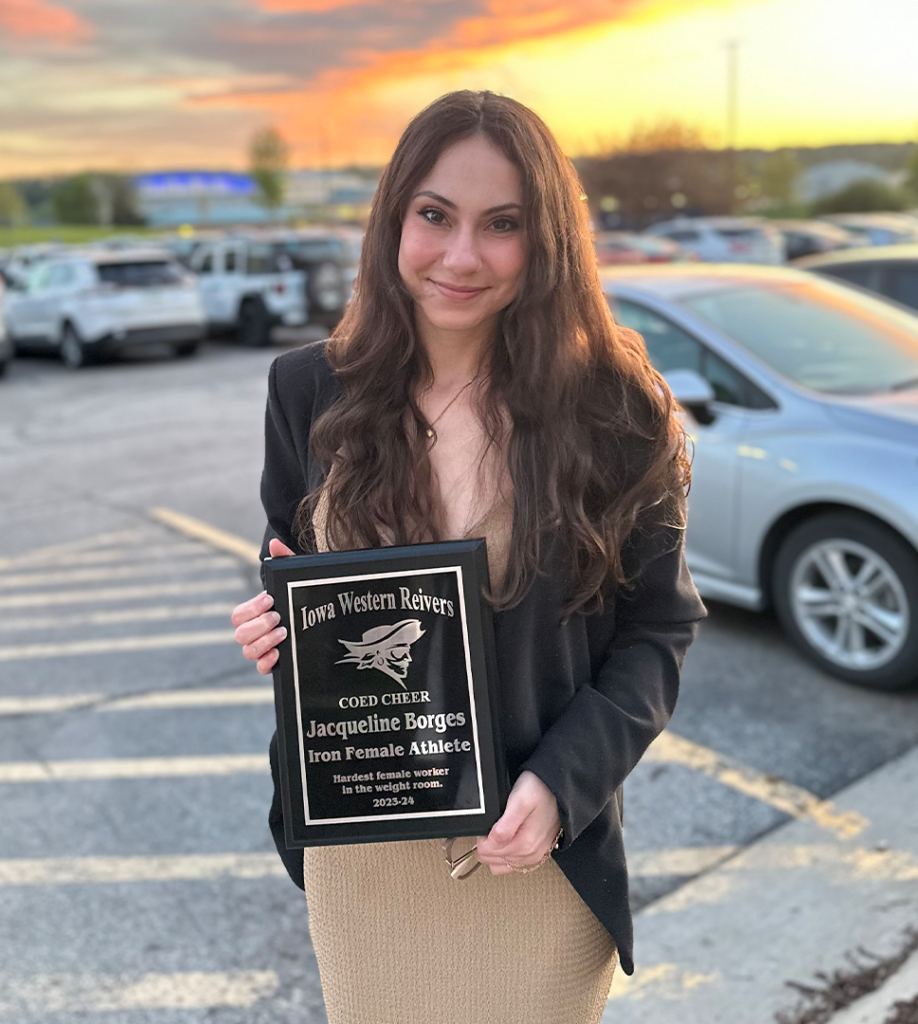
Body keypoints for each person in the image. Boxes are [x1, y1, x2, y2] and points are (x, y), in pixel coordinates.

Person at [231, 90, 707, 1024]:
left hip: (532, 847)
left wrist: (561, 786)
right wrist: (274, 625)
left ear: (549, 243)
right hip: (367, 854)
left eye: (503, 225)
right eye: (435, 215)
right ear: (394, 216)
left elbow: (659, 630)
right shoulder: (307, 389)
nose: (460, 256)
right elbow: (287, 563)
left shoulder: (614, 410)